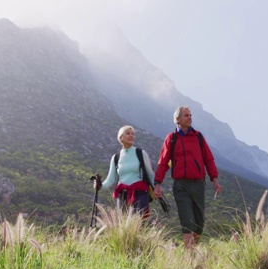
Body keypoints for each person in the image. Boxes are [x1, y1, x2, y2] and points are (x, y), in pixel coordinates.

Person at [153, 106, 222, 249]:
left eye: (190, 115)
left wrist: (214, 179)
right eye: (186, 115)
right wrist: (157, 183)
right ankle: (189, 257)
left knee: (199, 224)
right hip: (181, 186)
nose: (189, 118)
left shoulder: (198, 137)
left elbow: (208, 159)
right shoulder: (171, 139)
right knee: (187, 221)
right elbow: (163, 162)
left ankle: (192, 249)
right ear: (177, 119)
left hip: (198, 185)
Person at [94, 125, 156, 219]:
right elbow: (110, 179)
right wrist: (100, 186)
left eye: (133, 134)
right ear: (121, 138)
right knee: (123, 225)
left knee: (140, 225)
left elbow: (150, 174)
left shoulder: (141, 153)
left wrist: (157, 187)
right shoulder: (116, 158)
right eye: (128, 133)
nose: (131, 136)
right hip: (122, 195)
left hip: (140, 193)